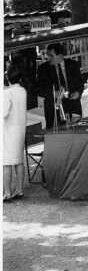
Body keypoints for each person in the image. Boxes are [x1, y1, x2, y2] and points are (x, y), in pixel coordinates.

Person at [37, 43, 84, 129]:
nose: (48, 58)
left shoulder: (73, 64)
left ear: (60, 55)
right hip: (54, 111)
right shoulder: (43, 69)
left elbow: (80, 83)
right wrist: (53, 93)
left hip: (73, 107)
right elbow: (39, 89)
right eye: (48, 55)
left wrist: (78, 92)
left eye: (51, 55)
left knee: (76, 134)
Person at [3, 66, 27, 201]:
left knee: (6, 162)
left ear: (7, 78)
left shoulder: (7, 93)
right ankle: (19, 189)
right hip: (20, 129)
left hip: (9, 130)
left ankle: (6, 192)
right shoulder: (22, 91)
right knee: (19, 160)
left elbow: (4, 113)